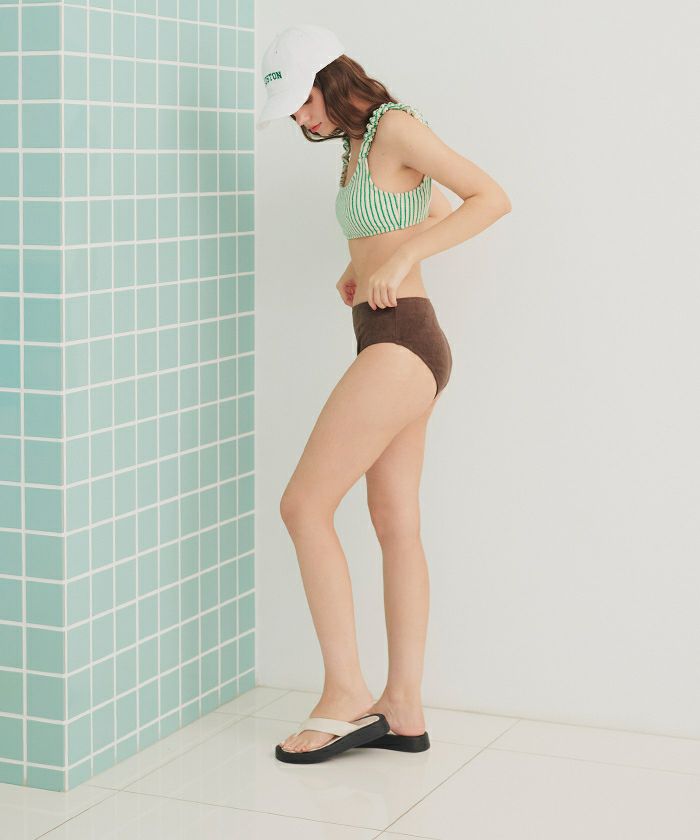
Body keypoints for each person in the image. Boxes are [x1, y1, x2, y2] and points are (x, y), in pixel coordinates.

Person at [258, 24, 512, 763]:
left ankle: (344, 694)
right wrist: (361, 266)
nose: (299, 118)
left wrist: (400, 260)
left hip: (404, 339)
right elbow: (427, 207)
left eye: (301, 101)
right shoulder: (357, 146)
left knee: (303, 506)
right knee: (394, 520)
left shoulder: (395, 126)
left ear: (329, 80)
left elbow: (489, 197)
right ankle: (403, 708)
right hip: (386, 336)